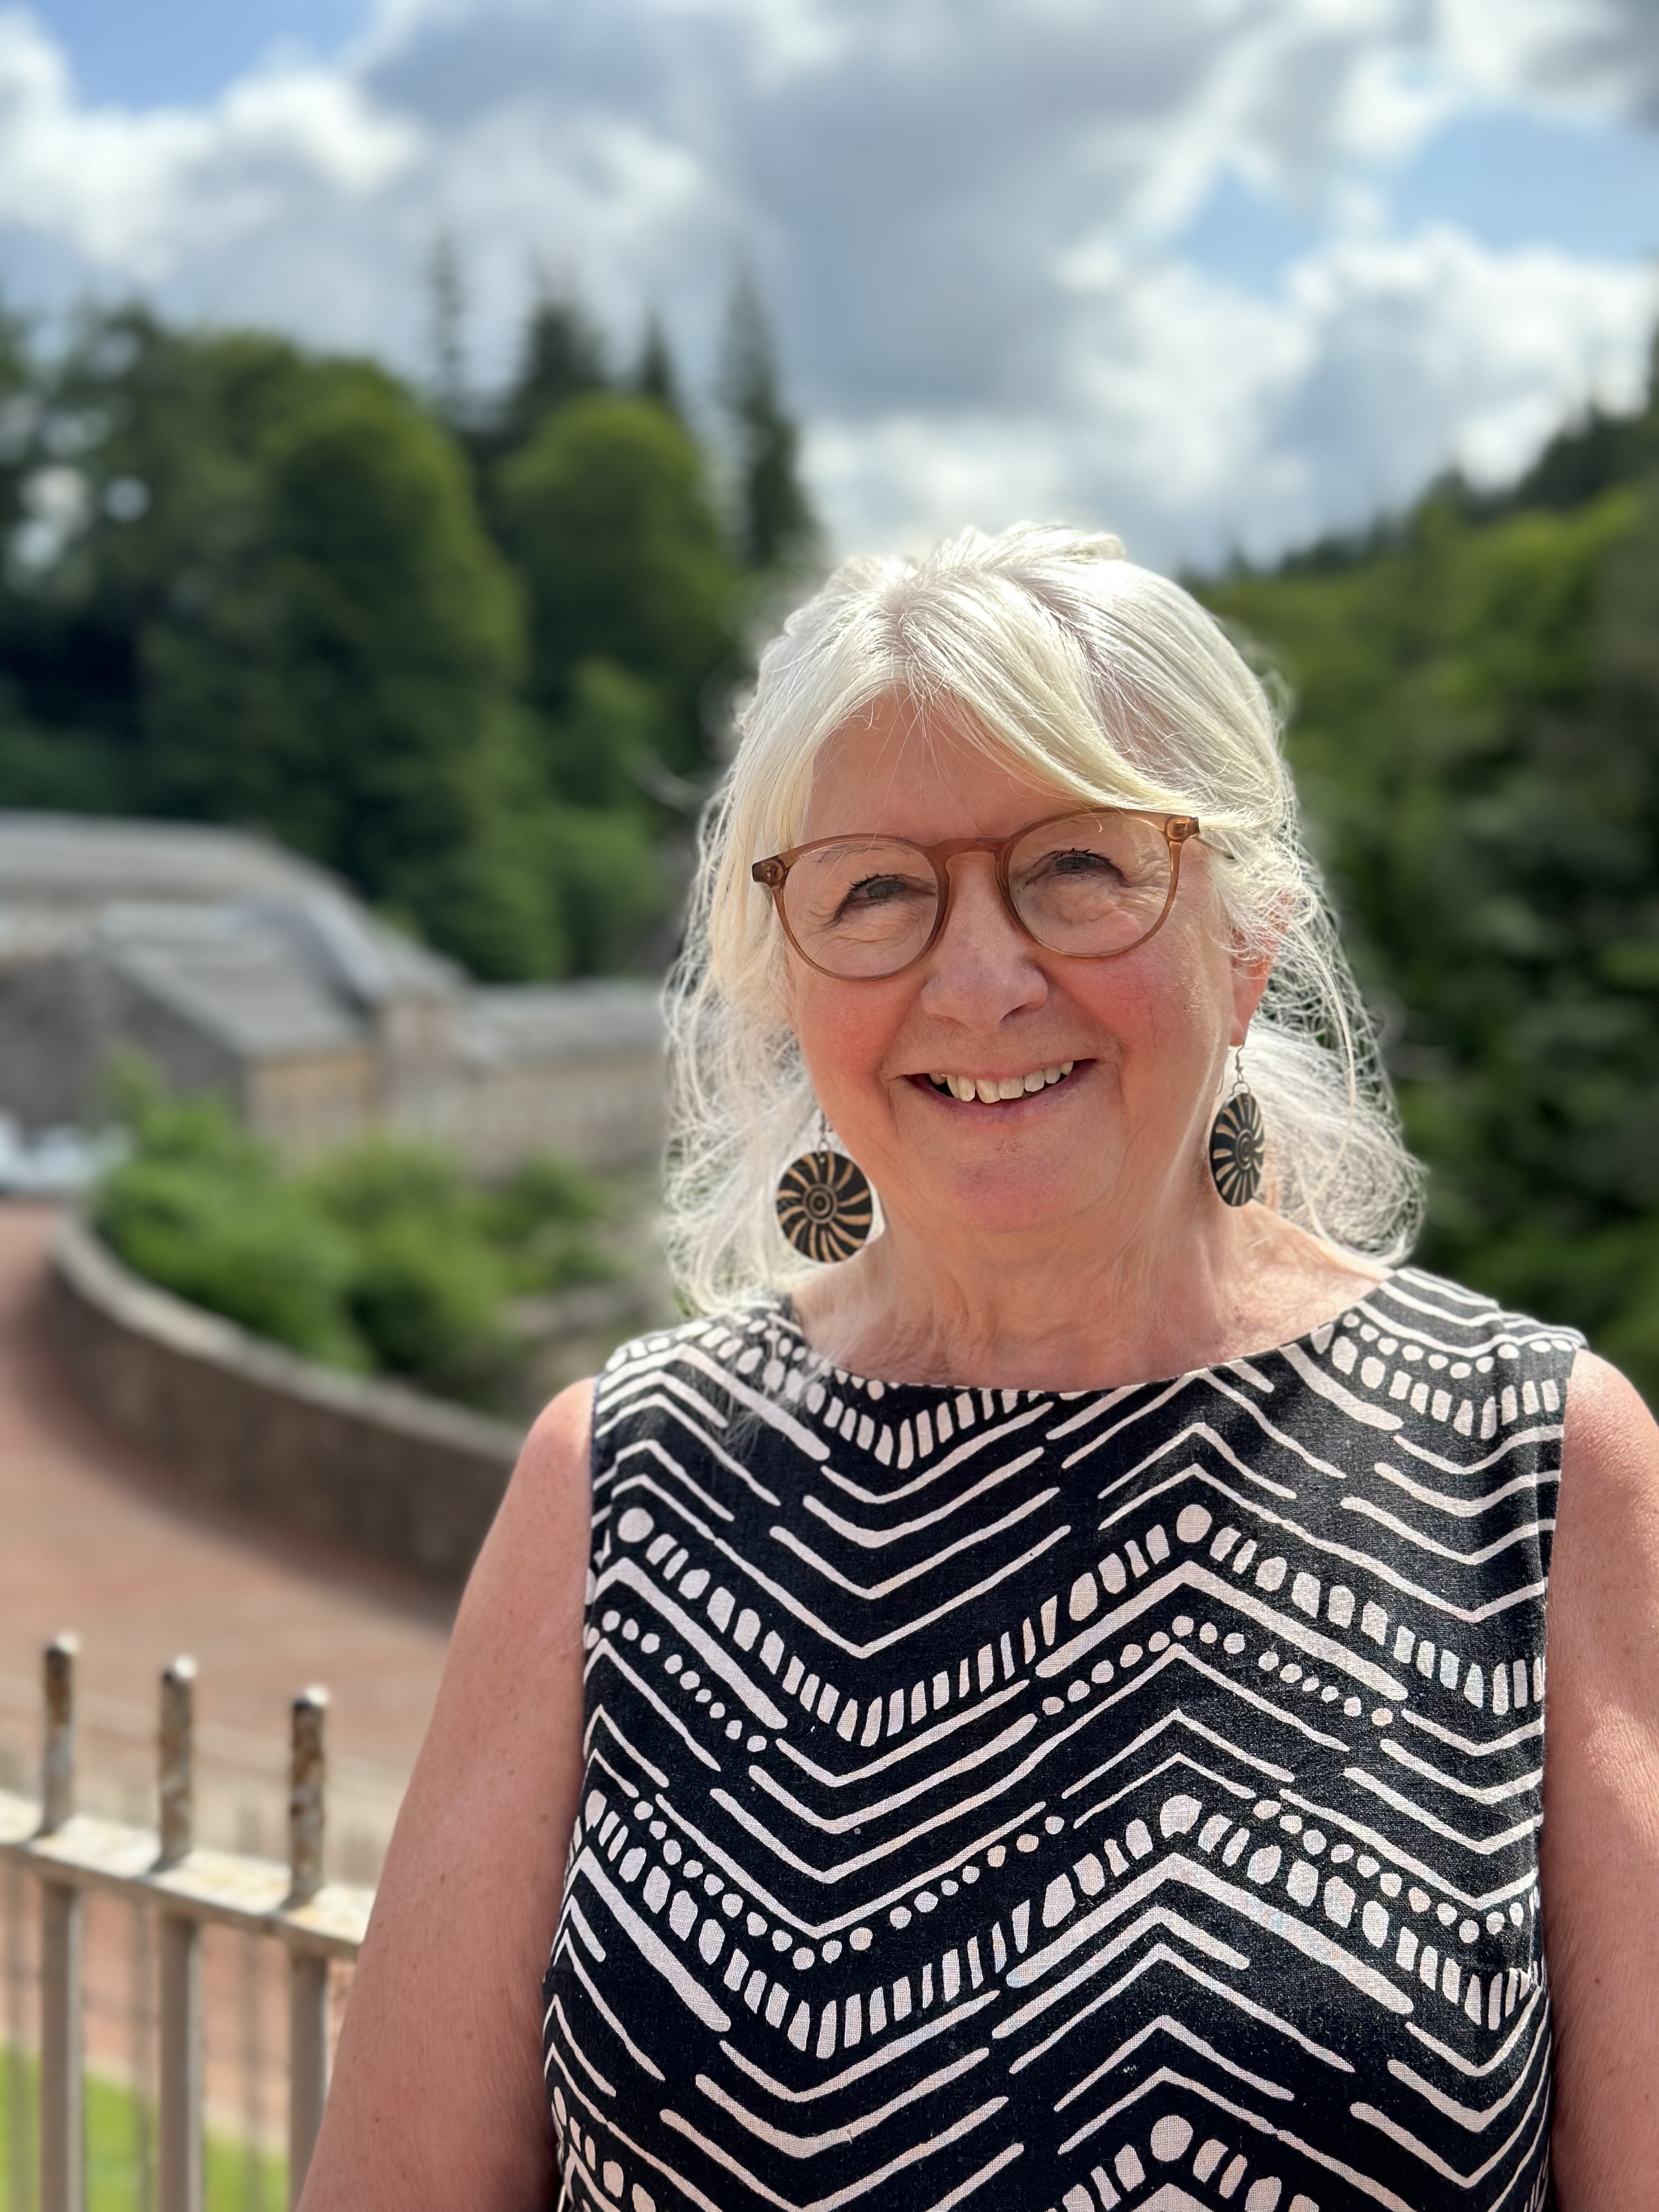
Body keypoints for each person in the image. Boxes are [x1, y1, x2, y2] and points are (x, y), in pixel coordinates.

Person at [300, 525, 1659, 2212]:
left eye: (1078, 866)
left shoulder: (1530, 1468)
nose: (982, 978)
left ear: (1244, 943)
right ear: (793, 980)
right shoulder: (616, 1484)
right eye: (876, 890)